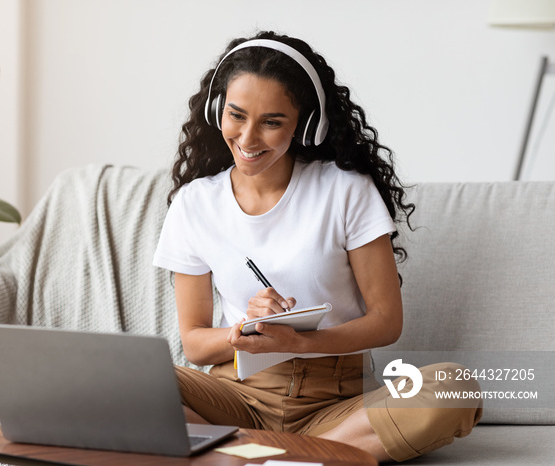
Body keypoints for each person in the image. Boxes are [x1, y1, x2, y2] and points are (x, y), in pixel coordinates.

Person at [153, 31, 481, 463]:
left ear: (306, 124)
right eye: (237, 115)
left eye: (272, 122)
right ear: (218, 111)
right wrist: (244, 333)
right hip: (235, 395)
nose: (249, 138)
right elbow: (194, 342)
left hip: (335, 402)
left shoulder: (346, 191)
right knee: (126, 378)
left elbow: (386, 321)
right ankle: (308, 457)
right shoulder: (194, 204)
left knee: (454, 388)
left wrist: (297, 341)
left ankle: (256, 455)